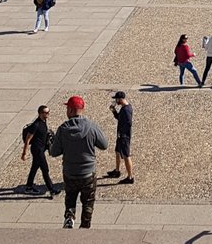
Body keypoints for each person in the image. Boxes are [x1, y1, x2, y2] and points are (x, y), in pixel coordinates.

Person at [50, 95, 108, 229]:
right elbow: (104, 145)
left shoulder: (63, 129)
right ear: (82, 109)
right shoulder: (91, 126)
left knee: (70, 198)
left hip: (70, 172)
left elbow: (54, 152)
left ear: (70, 110)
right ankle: (85, 225)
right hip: (88, 173)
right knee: (88, 201)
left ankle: (69, 216)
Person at [21, 105, 57, 196]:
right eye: (46, 112)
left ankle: (29, 186)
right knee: (45, 169)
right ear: (40, 113)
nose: (48, 114)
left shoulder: (44, 121)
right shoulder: (36, 125)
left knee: (34, 167)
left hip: (41, 149)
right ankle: (51, 189)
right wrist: (24, 153)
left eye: (48, 112)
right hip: (37, 150)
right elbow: (27, 139)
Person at [107, 91, 134, 183]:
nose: (116, 101)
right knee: (117, 152)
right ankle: (117, 171)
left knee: (126, 155)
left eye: (116, 99)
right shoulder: (124, 108)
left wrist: (122, 134)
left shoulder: (126, 110)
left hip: (124, 137)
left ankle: (130, 177)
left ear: (120, 99)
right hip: (120, 136)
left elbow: (128, 123)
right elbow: (119, 118)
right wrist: (113, 111)